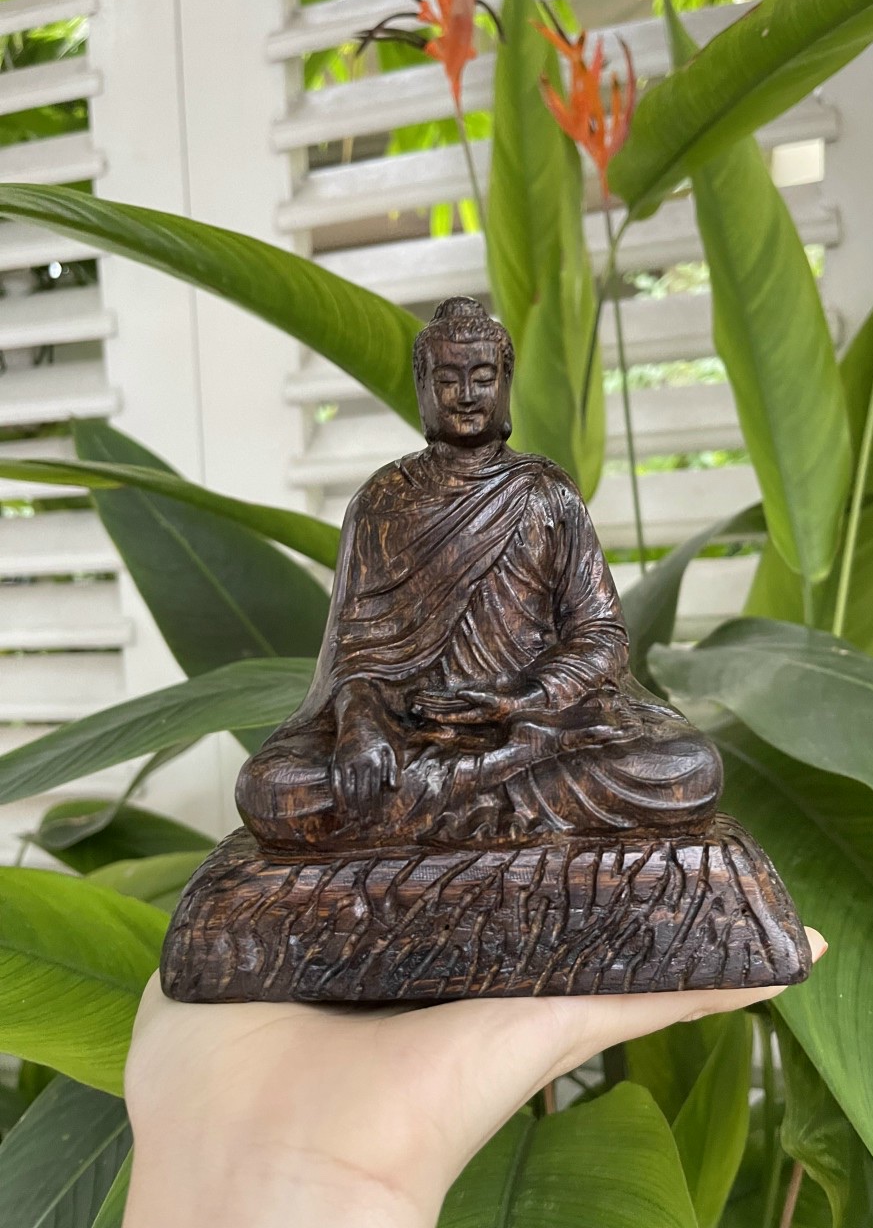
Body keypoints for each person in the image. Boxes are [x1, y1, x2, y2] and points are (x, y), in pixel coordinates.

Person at [237, 297, 723, 854]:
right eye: (448, 380)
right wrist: (362, 730)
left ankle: (461, 796)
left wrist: (523, 699)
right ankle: (493, 790)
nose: (467, 395)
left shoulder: (546, 494)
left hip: (535, 726)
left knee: (689, 768)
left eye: (483, 378)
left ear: (505, 383)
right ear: (422, 387)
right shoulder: (382, 502)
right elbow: (358, 655)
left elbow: (602, 635)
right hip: (416, 731)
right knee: (270, 788)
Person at [123, 928, 827, 1227]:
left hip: (545, 757)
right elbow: (352, 695)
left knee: (676, 766)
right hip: (398, 779)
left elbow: (589, 678)